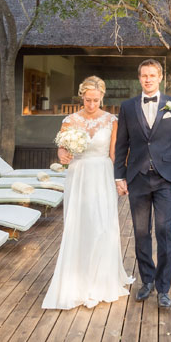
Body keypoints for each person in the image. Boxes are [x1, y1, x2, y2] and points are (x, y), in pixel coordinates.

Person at [42, 76, 133, 309]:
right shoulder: (70, 121)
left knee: (102, 225)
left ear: (102, 97)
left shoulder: (111, 120)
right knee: (80, 225)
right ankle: (78, 281)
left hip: (102, 174)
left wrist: (120, 179)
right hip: (79, 176)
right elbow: (62, 149)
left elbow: (114, 153)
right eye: (87, 99)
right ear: (81, 96)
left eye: (95, 100)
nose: (91, 104)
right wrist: (62, 155)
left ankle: (102, 280)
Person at [114, 59, 171, 309]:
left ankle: (163, 288)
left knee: (164, 231)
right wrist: (119, 176)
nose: (148, 79)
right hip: (137, 178)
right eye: (144, 75)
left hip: (166, 178)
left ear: (160, 77)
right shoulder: (127, 107)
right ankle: (147, 280)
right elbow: (121, 144)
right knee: (141, 232)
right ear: (139, 78)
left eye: (152, 75)